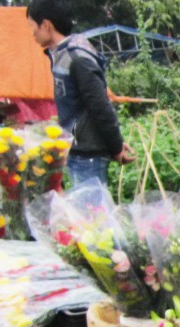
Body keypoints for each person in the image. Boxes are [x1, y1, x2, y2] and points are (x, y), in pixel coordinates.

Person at [26, 0, 135, 187]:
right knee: (88, 213)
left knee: (92, 214)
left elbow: (100, 105)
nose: (32, 33)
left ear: (46, 25)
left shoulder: (77, 58)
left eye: (32, 26)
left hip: (88, 156)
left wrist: (115, 146)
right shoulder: (62, 54)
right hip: (80, 152)